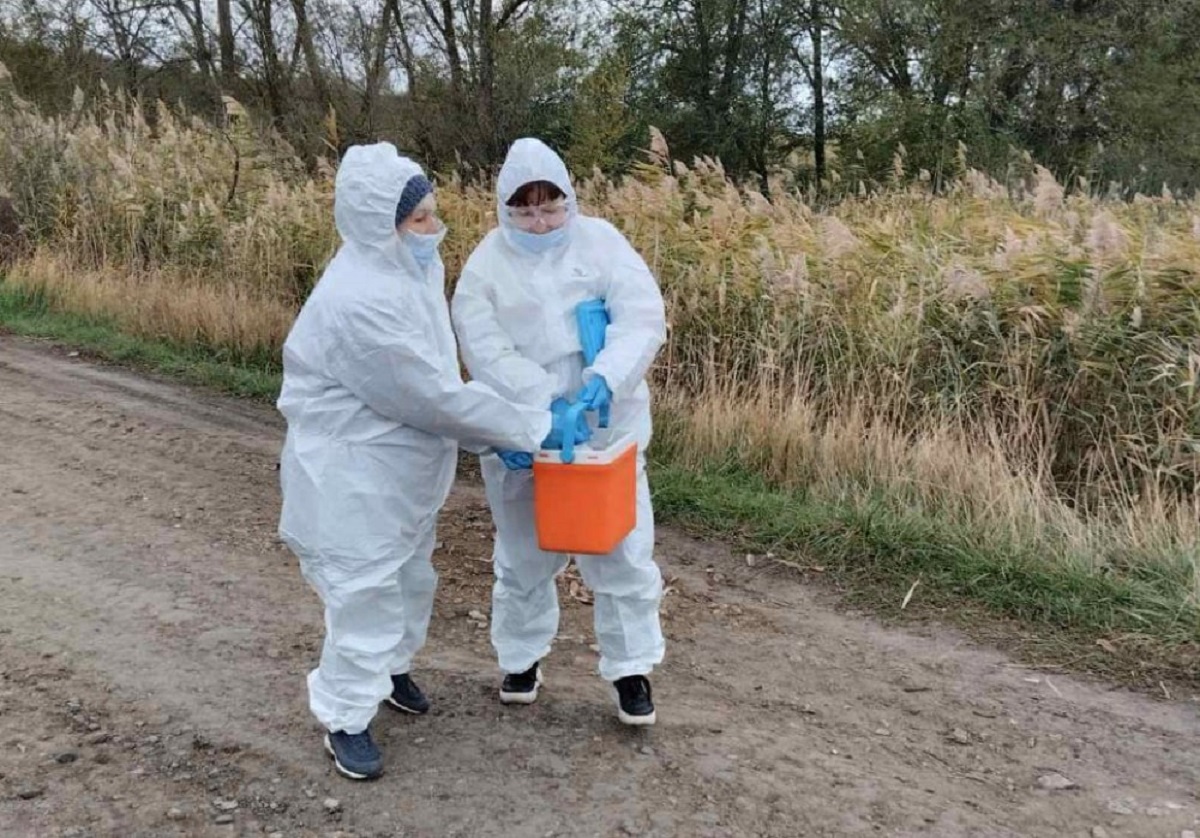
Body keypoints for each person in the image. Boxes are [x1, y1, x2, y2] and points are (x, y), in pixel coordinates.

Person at [277, 142, 590, 781]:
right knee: (364, 589)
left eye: (431, 213)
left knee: (409, 577)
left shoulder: (404, 268)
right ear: (378, 223)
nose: (434, 227)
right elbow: (428, 394)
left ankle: (392, 670)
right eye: (420, 218)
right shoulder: (360, 298)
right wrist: (526, 425)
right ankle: (345, 716)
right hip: (352, 472)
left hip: (400, 471)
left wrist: (490, 430)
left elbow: (436, 382)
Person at [451, 138, 668, 726]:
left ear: (568, 199)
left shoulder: (601, 242)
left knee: (621, 551)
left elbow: (643, 316)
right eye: (524, 211)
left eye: (549, 208)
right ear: (504, 208)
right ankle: (521, 660)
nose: (539, 222)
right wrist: (541, 406)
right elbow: (484, 346)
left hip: (606, 428)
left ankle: (631, 671)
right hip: (527, 434)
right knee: (524, 553)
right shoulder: (486, 264)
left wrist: (603, 381)